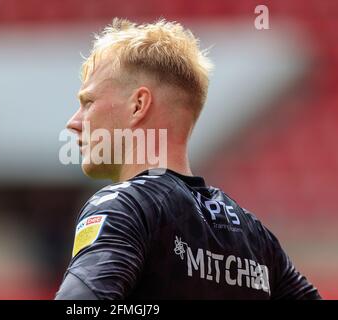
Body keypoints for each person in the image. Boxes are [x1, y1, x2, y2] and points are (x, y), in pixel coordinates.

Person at [55, 18, 321, 299]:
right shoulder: (254, 235)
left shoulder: (123, 206)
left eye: (88, 102)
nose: (74, 122)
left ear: (138, 105)